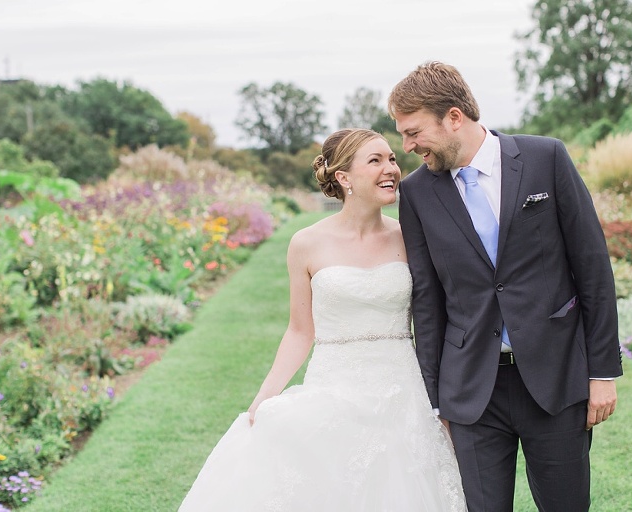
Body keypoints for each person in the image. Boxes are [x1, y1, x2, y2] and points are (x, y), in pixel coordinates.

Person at [179, 128, 467, 511]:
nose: (391, 169)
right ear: (344, 177)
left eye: (392, 159)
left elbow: (434, 317)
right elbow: (300, 330)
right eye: (376, 161)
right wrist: (265, 396)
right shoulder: (306, 244)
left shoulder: (410, 237)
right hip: (335, 385)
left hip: (402, 390)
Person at [388, 61, 623, 512]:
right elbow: (428, 304)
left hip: (556, 380)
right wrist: (436, 403)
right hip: (473, 390)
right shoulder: (417, 194)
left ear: (453, 117)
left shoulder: (545, 158)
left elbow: (592, 269)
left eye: (413, 131)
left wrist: (602, 373)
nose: (408, 146)